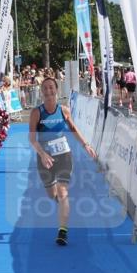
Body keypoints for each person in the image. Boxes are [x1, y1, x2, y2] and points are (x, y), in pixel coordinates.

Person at [28, 77, 96, 246]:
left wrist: (86, 145)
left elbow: (73, 128)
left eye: (51, 87)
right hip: (45, 158)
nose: (48, 91)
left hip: (64, 154)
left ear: (56, 90)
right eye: (45, 88)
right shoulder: (36, 113)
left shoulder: (64, 110)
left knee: (63, 191)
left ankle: (62, 231)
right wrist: (42, 154)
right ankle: (62, 204)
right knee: (52, 194)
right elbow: (32, 139)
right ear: (41, 92)